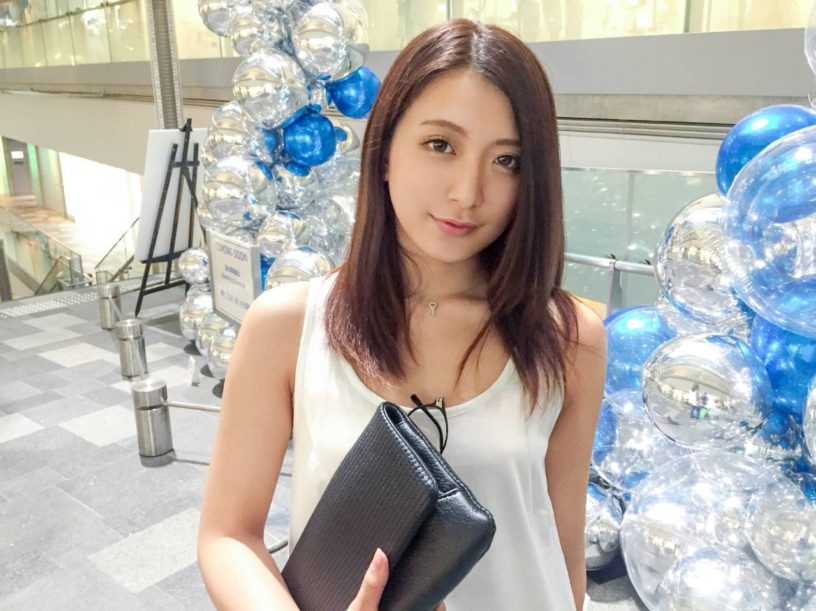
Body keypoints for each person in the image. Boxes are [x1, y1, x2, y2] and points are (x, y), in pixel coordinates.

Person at [198, 18, 605, 611]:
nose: (468, 192)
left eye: (507, 160)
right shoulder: (288, 326)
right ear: (385, 151)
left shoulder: (568, 337)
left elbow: (562, 548)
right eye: (441, 145)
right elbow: (228, 535)